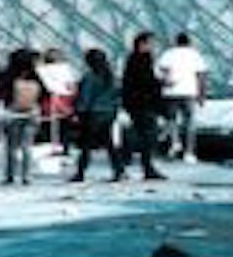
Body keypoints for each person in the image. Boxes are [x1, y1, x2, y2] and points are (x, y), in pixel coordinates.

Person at [118, 32, 167, 183]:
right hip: (143, 103)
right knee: (147, 135)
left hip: (135, 103)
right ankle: (146, 167)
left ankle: (128, 163)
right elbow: (145, 82)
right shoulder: (143, 59)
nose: (153, 46)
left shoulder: (132, 59)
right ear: (142, 44)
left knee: (141, 134)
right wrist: (160, 83)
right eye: (151, 43)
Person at [70, 47, 121, 182]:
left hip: (93, 114)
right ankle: (118, 169)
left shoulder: (89, 77)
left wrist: (78, 113)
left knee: (86, 145)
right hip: (108, 113)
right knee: (109, 143)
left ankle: (80, 172)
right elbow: (116, 96)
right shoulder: (111, 76)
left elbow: (85, 98)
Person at [157, 30, 208, 161]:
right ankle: (189, 152)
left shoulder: (168, 54)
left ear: (176, 42)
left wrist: (165, 82)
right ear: (189, 42)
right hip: (189, 92)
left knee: (171, 120)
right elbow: (201, 76)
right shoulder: (195, 55)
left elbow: (160, 73)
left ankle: (175, 142)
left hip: (171, 92)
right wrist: (202, 95)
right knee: (189, 122)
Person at [0, 48, 43, 186]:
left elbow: (1, 93)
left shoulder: (8, 75)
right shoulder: (37, 76)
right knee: (26, 146)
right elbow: (44, 94)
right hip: (31, 112)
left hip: (13, 112)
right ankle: (26, 176)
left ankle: (10, 175)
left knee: (11, 147)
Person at [36, 46, 78, 150]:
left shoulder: (42, 73)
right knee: (63, 132)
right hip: (63, 108)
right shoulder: (65, 72)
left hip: (51, 108)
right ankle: (63, 148)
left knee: (52, 133)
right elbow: (72, 90)